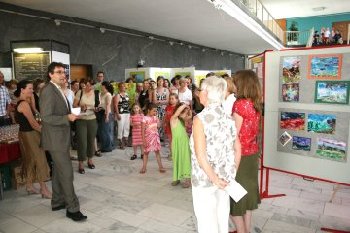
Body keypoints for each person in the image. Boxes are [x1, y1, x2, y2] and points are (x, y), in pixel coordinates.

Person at [190, 75, 241, 233]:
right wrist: (231, 174)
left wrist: (214, 179)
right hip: (225, 178)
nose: (199, 93)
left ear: (206, 93)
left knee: (207, 223)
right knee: (221, 220)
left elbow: (200, 155)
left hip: (205, 180)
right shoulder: (229, 118)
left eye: (200, 90)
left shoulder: (200, 119)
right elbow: (238, 149)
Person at [40, 62, 87, 221]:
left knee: (59, 172)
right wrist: (66, 117)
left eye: (64, 72)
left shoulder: (58, 89)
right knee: (67, 173)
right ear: (50, 74)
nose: (63, 74)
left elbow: (59, 112)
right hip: (55, 139)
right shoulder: (48, 90)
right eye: (59, 72)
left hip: (61, 137)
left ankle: (57, 201)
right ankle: (72, 208)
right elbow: (46, 117)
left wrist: (71, 114)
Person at [230, 70, 262, 233]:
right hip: (252, 153)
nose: (233, 84)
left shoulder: (240, 104)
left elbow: (234, 134)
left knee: (234, 195)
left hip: (239, 155)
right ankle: (247, 230)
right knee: (247, 194)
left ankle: (242, 231)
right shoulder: (254, 103)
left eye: (235, 81)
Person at [14, 80, 51, 199]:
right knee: (39, 159)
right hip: (30, 135)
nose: (32, 90)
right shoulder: (24, 104)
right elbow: (33, 123)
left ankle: (29, 186)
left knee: (29, 160)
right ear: (22, 90)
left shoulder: (21, 102)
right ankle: (44, 190)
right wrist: (45, 132)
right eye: (29, 88)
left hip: (24, 134)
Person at [73, 79, 98, 174]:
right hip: (81, 120)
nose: (89, 87)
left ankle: (90, 160)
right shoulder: (80, 92)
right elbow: (74, 105)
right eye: (87, 85)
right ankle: (81, 163)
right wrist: (81, 107)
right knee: (82, 142)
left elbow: (98, 105)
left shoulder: (96, 93)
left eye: (91, 85)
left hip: (92, 119)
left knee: (91, 141)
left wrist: (96, 109)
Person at [140, 103, 166, 174]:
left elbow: (158, 126)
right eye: (154, 111)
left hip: (155, 137)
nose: (155, 113)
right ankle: (144, 167)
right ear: (149, 110)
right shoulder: (144, 118)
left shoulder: (155, 117)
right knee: (146, 153)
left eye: (156, 111)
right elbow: (142, 131)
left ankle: (160, 166)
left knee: (157, 152)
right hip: (148, 138)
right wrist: (144, 141)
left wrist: (159, 120)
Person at [170, 103, 192, 188]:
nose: (186, 115)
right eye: (184, 113)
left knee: (185, 160)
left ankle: (188, 180)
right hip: (176, 143)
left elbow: (190, 116)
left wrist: (188, 110)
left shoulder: (183, 120)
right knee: (176, 160)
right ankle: (176, 178)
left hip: (184, 142)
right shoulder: (174, 118)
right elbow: (178, 112)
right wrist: (186, 105)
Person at [97, 81, 115, 152]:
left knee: (106, 131)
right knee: (102, 131)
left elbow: (108, 105)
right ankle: (105, 146)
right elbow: (100, 104)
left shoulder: (108, 94)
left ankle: (108, 147)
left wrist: (107, 116)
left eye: (102, 86)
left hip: (106, 113)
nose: (101, 87)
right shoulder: (101, 93)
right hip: (100, 112)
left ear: (105, 87)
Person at [113, 82, 130, 149]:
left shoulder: (126, 94)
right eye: (122, 86)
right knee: (120, 127)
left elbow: (128, 103)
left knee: (126, 127)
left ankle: (126, 140)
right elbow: (115, 105)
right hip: (121, 113)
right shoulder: (117, 95)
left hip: (127, 113)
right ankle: (120, 141)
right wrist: (117, 114)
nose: (123, 87)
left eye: (124, 86)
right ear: (119, 87)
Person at [153, 76, 169, 141]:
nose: (160, 82)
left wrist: (159, 102)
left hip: (165, 109)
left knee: (164, 122)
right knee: (157, 123)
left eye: (161, 81)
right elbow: (154, 101)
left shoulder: (166, 90)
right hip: (157, 109)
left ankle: (163, 137)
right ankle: (157, 137)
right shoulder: (155, 90)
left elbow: (167, 101)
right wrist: (162, 102)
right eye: (159, 81)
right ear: (157, 81)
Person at [164, 93, 179, 160]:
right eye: (170, 98)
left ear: (177, 99)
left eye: (173, 98)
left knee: (176, 141)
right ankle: (171, 154)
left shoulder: (178, 108)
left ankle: (177, 154)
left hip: (176, 126)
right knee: (170, 141)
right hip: (168, 126)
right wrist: (163, 123)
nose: (171, 100)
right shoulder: (167, 107)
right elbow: (165, 116)